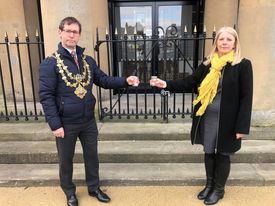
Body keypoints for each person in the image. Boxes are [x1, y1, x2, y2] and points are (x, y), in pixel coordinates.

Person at [39, 16, 139, 206]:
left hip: (88, 121)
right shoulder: (49, 64)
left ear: (79, 35)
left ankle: (94, 188)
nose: (71, 35)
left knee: (92, 156)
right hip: (65, 123)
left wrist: (125, 81)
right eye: (68, 31)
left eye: (75, 32)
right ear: (60, 32)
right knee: (65, 160)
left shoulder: (88, 61)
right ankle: (69, 192)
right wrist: (55, 124)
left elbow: (104, 80)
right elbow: (46, 96)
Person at [150, 27, 253, 205]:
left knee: (222, 154)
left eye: (229, 39)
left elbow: (247, 97)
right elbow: (189, 82)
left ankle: (219, 190)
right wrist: (165, 83)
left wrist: (241, 127)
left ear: (235, 43)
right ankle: (209, 185)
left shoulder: (242, 65)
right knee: (208, 151)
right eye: (221, 39)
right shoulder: (208, 63)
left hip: (228, 121)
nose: (225, 42)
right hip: (207, 117)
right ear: (216, 42)